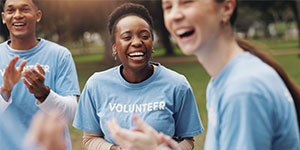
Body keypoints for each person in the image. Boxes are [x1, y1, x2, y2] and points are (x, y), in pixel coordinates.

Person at [107, 0, 300, 149]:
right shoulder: (221, 81)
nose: (174, 15)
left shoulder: (243, 90)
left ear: (226, 8)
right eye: (168, 6)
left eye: (187, 2)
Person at [73, 3, 203, 150]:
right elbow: (90, 138)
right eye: (127, 37)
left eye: (144, 36)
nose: (136, 42)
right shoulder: (96, 85)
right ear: (115, 47)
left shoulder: (177, 84)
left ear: (151, 44)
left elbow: (188, 140)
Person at [0, 0, 80, 149]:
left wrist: (43, 94)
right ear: (4, 17)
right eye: (11, 11)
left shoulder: (60, 55)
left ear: (37, 15)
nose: (17, 15)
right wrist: (5, 89)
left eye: (24, 9)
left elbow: (71, 114)